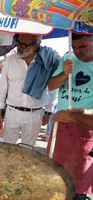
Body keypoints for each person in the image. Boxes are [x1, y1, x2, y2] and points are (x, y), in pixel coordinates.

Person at [47, 32, 93, 198]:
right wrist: (64, 73)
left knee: (78, 183)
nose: (77, 51)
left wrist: (74, 116)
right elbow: (51, 86)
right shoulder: (68, 57)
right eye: (74, 47)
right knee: (54, 174)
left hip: (85, 127)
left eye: (83, 47)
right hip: (60, 124)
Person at [0, 34, 60, 146]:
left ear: (36, 45)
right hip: (12, 112)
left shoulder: (47, 62)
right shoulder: (10, 61)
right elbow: (2, 89)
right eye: (18, 43)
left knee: (28, 150)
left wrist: (48, 111)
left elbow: (52, 90)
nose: (19, 47)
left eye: (24, 45)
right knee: (7, 148)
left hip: (35, 114)